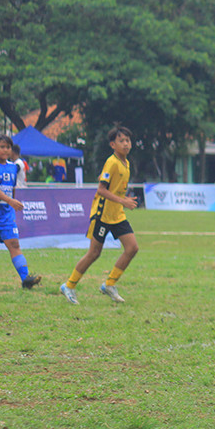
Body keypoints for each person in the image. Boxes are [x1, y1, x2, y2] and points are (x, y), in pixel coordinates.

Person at [59, 126, 138, 304]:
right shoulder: (112, 162)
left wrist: (124, 200)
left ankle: (109, 284)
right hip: (102, 215)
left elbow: (114, 190)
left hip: (117, 214)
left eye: (128, 140)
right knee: (94, 253)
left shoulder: (126, 164)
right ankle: (69, 286)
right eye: (121, 141)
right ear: (113, 144)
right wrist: (123, 201)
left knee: (132, 248)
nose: (126, 144)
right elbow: (101, 190)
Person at [0, 134, 42, 290]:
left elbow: (12, 187)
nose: (6, 150)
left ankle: (26, 280)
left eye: (8, 147)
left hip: (6, 215)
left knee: (14, 244)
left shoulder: (13, 167)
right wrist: (10, 201)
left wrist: (11, 202)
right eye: (2, 146)